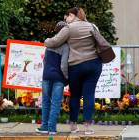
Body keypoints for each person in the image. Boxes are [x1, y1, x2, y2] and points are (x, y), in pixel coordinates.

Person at [44, 7, 102, 135]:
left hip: (76, 66)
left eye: (67, 16)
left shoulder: (68, 28)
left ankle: (73, 126)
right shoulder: (92, 26)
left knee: (75, 95)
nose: (66, 19)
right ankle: (87, 127)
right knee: (89, 94)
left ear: (72, 15)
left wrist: (45, 41)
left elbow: (54, 42)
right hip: (94, 64)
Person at [36, 21, 69, 135]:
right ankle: (52, 128)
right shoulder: (65, 46)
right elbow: (64, 65)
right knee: (55, 103)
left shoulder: (49, 43)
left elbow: (45, 61)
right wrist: (66, 78)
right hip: (58, 77)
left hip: (46, 76)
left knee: (45, 102)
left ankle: (44, 126)